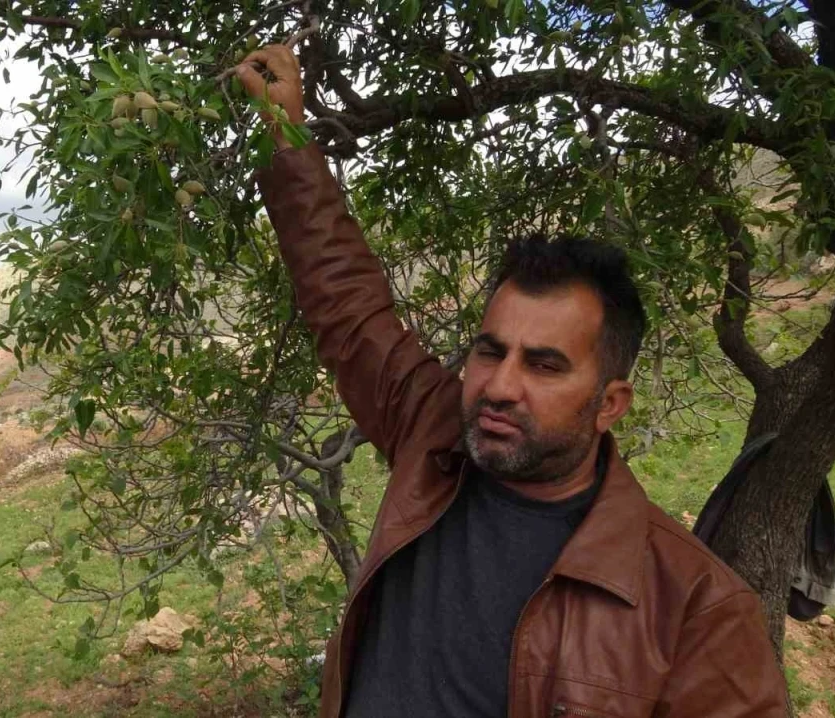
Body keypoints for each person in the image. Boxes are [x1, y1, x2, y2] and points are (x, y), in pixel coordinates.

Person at [235, 46, 789, 718]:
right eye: (490, 352)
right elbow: (346, 303)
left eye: (544, 365)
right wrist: (286, 133)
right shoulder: (433, 434)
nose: (499, 386)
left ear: (610, 403)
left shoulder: (696, 609)